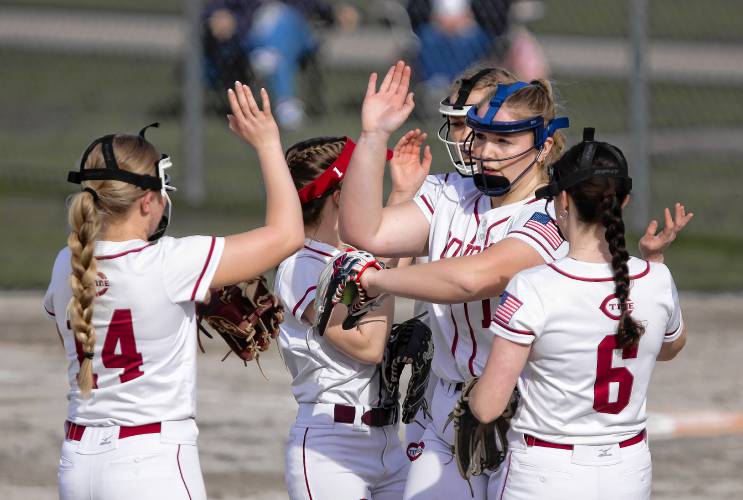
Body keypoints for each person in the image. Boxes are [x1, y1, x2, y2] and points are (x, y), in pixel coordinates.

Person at [338, 61, 691, 499]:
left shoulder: (552, 217)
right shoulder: (450, 194)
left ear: (543, 148)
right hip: (448, 406)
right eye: (481, 136)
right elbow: (363, 231)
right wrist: (373, 137)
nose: (485, 151)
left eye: (504, 140)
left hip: (524, 415)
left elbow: (477, 278)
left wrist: (378, 281)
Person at [44, 83, 304, 500]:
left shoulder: (66, 263)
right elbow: (288, 234)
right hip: (149, 464)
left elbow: (78, 338)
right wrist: (268, 142)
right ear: (147, 202)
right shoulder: (173, 263)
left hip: (78, 462)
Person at [469, 129, 690, 500]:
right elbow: (670, 347)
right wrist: (653, 259)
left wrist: (471, 394)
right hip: (628, 471)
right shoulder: (656, 278)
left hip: (545, 472)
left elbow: (488, 406)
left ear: (564, 200)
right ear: (624, 201)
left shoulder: (534, 286)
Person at [274, 135, 420, 499]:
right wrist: (378, 276)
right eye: (364, 182)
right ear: (340, 195)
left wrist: (401, 194)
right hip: (331, 447)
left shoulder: (353, 254)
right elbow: (368, 346)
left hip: (388, 440)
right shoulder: (299, 266)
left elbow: (391, 262)